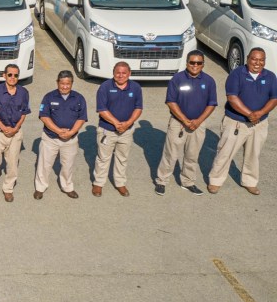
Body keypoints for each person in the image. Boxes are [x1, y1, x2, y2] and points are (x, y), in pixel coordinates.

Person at [207, 47, 277, 195]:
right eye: (254, 59)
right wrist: (249, 113)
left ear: (264, 61)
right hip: (236, 122)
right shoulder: (237, 74)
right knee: (225, 152)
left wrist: (261, 113)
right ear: (247, 59)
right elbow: (232, 98)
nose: (257, 63)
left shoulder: (270, 76)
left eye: (261, 60)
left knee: (253, 154)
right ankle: (215, 181)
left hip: (259, 123)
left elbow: (274, 98)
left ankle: (249, 181)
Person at [154, 50, 217, 196]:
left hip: (198, 124)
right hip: (178, 123)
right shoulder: (177, 79)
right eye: (192, 62)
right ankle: (162, 181)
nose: (195, 65)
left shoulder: (209, 81)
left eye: (198, 63)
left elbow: (212, 104)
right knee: (170, 154)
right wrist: (184, 120)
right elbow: (171, 102)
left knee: (192, 155)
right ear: (187, 63)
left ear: (203, 64)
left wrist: (199, 121)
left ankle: (188, 182)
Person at [91, 61, 143, 197]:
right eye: (117, 73)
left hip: (127, 131)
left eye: (124, 73)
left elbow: (138, 108)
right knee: (103, 158)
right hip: (107, 130)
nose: (120, 76)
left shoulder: (136, 88)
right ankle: (98, 183)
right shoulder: (105, 87)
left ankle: (120, 183)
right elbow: (102, 110)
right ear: (113, 73)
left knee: (122, 158)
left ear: (129, 73)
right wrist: (116, 123)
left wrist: (128, 123)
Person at [33, 70, 87, 200]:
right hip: (50, 138)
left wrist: (71, 132)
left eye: (68, 83)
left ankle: (67, 187)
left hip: (70, 139)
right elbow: (44, 116)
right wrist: (58, 131)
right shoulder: (49, 97)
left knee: (68, 165)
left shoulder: (79, 98)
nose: (65, 86)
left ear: (72, 84)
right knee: (44, 164)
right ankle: (40, 187)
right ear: (57, 83)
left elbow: (82, 118)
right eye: (62, 83)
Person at [0, 64, 30, 202]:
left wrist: (15, 128)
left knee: (12, 163)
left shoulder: (23, 92)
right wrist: (3, 127)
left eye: (16, 75)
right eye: (10, 74)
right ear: (4, 75)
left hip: (15, 133)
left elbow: (24, 113)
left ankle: (8, 188)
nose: (13, 77)